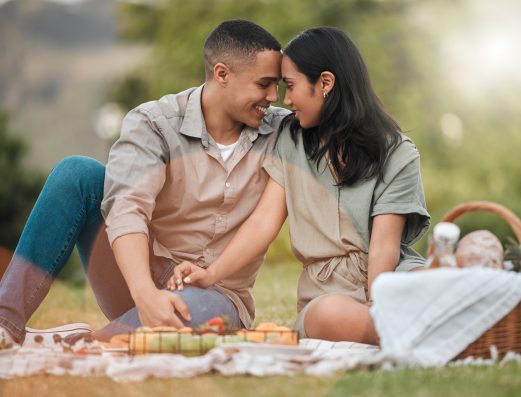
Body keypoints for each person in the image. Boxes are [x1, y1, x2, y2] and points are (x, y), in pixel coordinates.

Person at [0, 19, 289, 347]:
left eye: (277, 85)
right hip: (137, 275)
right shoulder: (155, 123)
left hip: (216, 295)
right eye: (264, 84)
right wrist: (145, 293)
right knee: (76, 173)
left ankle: (86, 342)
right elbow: (127, 206)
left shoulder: (282, 133)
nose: (274, 96)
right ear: (222, 74)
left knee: (204, 313)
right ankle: (5, 322)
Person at [167, 27, 431, 345]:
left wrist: (378, 304)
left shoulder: (396, 151)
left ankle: (401, 326)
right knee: (327, 314)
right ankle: (427, 332)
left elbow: (384, 246)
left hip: (388, 277)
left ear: (325, 83)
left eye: (291, 87)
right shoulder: (290, 141)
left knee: (426, 280)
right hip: (327, 293)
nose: (285, 100)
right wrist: (210, 273)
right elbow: (264, 222)